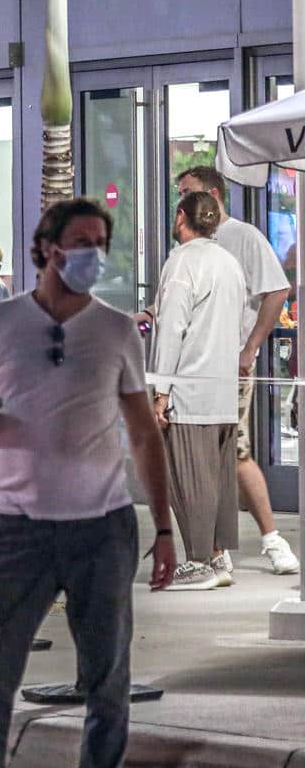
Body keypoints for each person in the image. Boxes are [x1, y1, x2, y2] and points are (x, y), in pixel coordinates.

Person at [0, 197, 177, 768]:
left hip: (101, 528)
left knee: (107, 679)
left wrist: (163, 527)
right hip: (18, 530)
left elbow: (142, 431)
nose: (91, 255)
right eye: (79, 242)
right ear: (46, 247)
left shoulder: (115, 329)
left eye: (99, 242)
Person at [172, 166, 299, 576]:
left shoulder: (243, 237)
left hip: (228, 369)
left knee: (233, 450)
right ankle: (216, 549)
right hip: (198, 369)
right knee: (215, 455)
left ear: (211, 193)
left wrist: (250, 348)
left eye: (188, 193)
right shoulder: (190, 247)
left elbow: (277, 290)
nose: (181, 203)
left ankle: (269, 538)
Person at [151, 192, 249, 590]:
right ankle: (218, 555)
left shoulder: (182, 263)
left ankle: (199, 562)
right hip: (223, 389)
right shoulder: (230, 263)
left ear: (180, 218)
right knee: (219, 478)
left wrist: (160, 390)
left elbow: (172, 329)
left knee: (189, 479)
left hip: (189, 390)